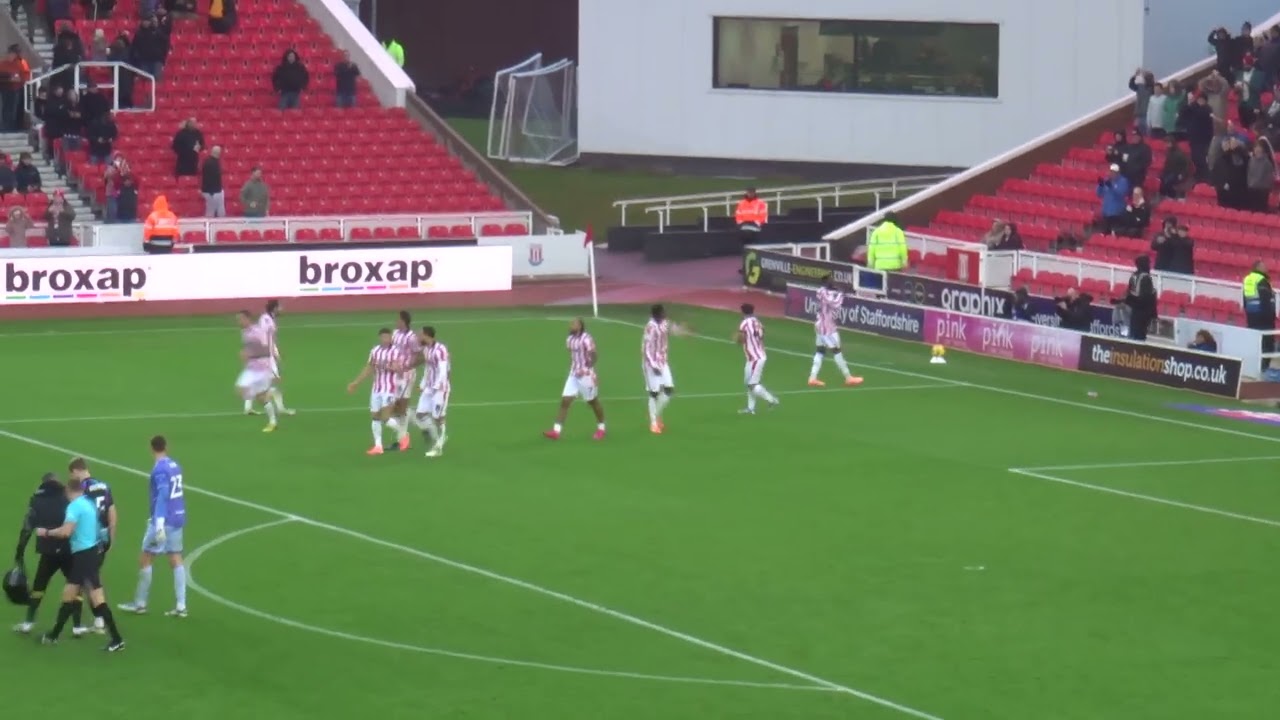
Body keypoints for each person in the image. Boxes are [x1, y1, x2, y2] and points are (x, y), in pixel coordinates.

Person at [33, 476, 125, 651]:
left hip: (84, 556)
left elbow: (66, 532)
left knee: (96, 599)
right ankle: (53, 635)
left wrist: (46, 532)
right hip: (91, 552)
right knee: (70, 594)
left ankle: (117, 639)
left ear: (68, 491)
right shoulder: (89, 503)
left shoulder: (74, 507)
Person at [117, 435, 187, 619]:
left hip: (164, 519)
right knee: (175, 558)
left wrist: (159, 524)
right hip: (179, 516)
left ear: (151, 448)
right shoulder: (174, 465)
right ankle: (181, 605)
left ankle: (140, 603)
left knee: (145, 558)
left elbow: (163, 495)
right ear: (167, 446)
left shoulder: (160, 470)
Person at [12, 472, 87, 637]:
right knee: (75, 586)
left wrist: (20, 551)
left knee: (39, 586)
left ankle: (28, 623)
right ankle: (77, 626)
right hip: (69, 550)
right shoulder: (69, 499)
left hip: (48, 552)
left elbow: (27, 528)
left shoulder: (37, 501)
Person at [70, 458, 115, 636]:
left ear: (76, 471)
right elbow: (112, 512)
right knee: (91, 577)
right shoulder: (104, 486)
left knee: (89, 580)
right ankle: (97, 620)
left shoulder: (82, 490)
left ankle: (99, 620)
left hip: (89, 540)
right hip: (103, 538)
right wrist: (112, 537)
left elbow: (79, 514)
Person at [544, 318, 606, 441]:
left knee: (592, 402)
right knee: (565, 401)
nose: (571, 325)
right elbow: (573, 355)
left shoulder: (586, 339)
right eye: (571, 323)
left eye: (574, 324)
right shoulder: (569, 340)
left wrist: (588, 366)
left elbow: (594, 354)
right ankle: (556, 431)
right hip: (573, 374)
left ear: (580, 326)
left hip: (586, 375)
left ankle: (601, 428)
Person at [346, 328, 404, 456]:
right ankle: (378, 446)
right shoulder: (375, 351)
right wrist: (356, 382)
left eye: (388, 337)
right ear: (380, 338)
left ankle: (403, 431)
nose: (385, 339)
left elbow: (399, 370)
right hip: (376, 389)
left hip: (389, 388)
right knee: (375, 417)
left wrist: (392, 367)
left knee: (386, 418)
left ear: (391, 338)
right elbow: (369, 368)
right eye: (383, 337)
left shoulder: (395, 351)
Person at [807, 275, 863, 388]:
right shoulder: (824, 293)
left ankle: (812, 378)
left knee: (820, 351)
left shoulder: (823, 291)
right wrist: (841, 294)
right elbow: (834, 304)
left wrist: (839, 292)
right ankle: (848, 377)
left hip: (822, 325)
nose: (833, 282)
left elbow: (831, 297)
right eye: (831, 280)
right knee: (837, 351)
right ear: (826, 282)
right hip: (826, 328)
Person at [231, 309, 279, 431]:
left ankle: (272, 422)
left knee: (260, 398)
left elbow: (266, 349)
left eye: (240, 319)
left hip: (262, 368)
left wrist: (249, 354)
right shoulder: (244, 333)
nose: (239, 322)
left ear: (247, 319)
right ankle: (266, 392)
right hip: (251, 369)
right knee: (240, 391)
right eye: (238, 320)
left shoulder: (257, 331)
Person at [412, 326, 450, 458]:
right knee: (420, 415)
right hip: (429, 387)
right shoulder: (427, 349)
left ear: (427, 335)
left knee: (438, 417)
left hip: (440, 389)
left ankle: (439, 446)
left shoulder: (441, 349)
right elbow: (428, 368)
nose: (418, 337)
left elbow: (443, 369)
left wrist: (439, 385)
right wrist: (423, 384)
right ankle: (439, 438)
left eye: (420, 335)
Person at [250, 299, 293, 417]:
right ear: (274, 308)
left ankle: (249, 406)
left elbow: (270, 339)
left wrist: (276, 353)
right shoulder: (266, 320)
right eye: (280, 307)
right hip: (265, 357)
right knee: (270, 384)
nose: (282, 309)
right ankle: (278, 410)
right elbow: (262, 337)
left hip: (268, 356)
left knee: (269, 383)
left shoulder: (269, 319)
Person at [643, 304, 681, 434]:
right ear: (656, 314)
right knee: (654, 393)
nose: (665, 314)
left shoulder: (665, 323)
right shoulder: (650, 327)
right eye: (663, 312)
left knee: (669, 390)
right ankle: (653, 423)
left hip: (663, 362)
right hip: (650, 364)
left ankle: (655, 414)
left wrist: (679, 330)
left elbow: (672, 329)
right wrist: (653, 366)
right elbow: (646, 348)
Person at [387, 310, 421, 452]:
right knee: (395, 406)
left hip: (407, 375)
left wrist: (407, 367)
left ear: (404, 321)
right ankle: (414, 422)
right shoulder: (395, 334)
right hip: (395, 374)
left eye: (398, 319)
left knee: (400, 407)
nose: (396, 321)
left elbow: (418, 354)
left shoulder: (411, 338)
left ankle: (403, 440)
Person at [736, 303, 778, 415]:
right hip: (754, 357)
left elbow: (740, 340)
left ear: (742, 312)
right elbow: (763, 334)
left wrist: (737, 339)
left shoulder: (744, 323)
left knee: (752, 384)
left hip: (755, 358)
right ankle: (750, 409)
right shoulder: (758, 322)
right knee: (748, 384)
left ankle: (771, 400)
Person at [1242, 260, 1276, 370]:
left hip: (1252, 316)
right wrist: (1271, 317)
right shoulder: (1261, 280)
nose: (1266, 268)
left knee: (1254, 343)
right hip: (1264, 318)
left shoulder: (1247, 279)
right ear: (1258, 268)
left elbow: (1245, 299)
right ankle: (1263, 368)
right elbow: (1265, 300)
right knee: (1267, 344)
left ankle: (1252, 367)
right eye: (1264, 266)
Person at [1118, 255, 1158, 341]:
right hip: (1143, 311)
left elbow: (1129, 291)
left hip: (1133, 309)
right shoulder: (1146, 277)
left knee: (1133, 334)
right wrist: (1153, 314)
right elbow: (1147, 297)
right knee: (1140, 336)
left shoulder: (1133, 276)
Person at [0, 45, 30, 132]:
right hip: (4, 88)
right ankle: (5, 126)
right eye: (9, 54)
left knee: (13, 108)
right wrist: (8, 78)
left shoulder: (21, 64)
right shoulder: (3, 64)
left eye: (12, 54)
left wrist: (19, 79)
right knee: (5, 108)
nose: (10, 55)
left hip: (16, 89)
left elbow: (25, 76)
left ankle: (11, 127)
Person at [1095, 164, 1131, 234]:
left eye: (1114, 172)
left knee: (1114, 233)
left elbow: (1122, 193)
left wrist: (1112, 187)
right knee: (1105, 233)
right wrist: (1100, 186)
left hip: (1117, 213)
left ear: (1118, 173)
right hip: (1106, 212)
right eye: (1111, 172)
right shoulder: (1107, 180)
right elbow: (1099, 194)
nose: (1111, 174)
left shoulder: (1123, 181)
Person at [1246, 139, 1275, 211]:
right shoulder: (1251, 160)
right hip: (1251, 189)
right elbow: (1249, 174)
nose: (1257, 150)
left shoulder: (1267, 163)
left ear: (1263, 150)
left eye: (1259, 148)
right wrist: (1250, 184)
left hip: (1262, 191)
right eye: (1256, 147)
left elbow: (1269, 179)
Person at [200, 145, 225, 218]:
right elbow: (209, 178)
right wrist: (211, 192)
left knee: (215, 209)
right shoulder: (210, 163)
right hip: (212, 192)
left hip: (214, 191)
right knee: (211, 211)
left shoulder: (211, 162)